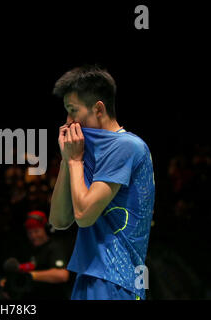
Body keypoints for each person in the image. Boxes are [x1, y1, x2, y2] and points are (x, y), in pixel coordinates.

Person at [49, 65, 155, 300]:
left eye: (73, 111)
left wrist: (75, 162)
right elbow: (59, 220)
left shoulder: (126, 146)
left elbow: (84, 215)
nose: (68, 122)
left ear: (98, 108)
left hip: (116, 279)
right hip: (88, 273)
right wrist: (68, 161)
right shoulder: (88, 153)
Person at [0, 210, 73, 299]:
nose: (33, 236)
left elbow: (62, 275)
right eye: (30, 232)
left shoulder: (55, 247)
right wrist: (9, 283)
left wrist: (31, 276)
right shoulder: (27, 248)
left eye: (36, 231)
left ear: (46, 230)